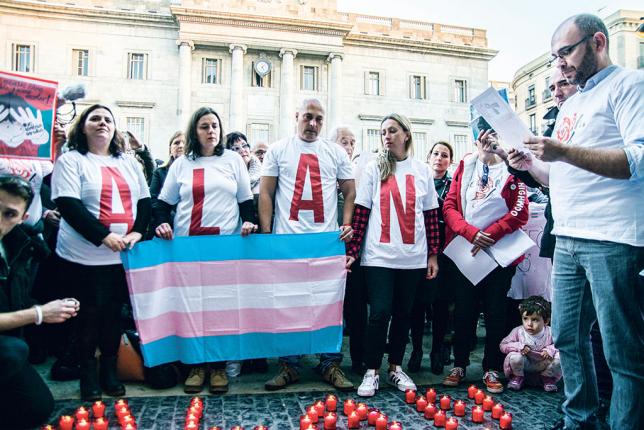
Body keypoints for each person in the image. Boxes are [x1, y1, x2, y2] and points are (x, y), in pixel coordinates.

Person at [507, 14, 643, 430]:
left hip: (612, 238)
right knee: (566, 337)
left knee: (621, 349)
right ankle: (579, 420)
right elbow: (560, 175)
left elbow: (637, 160)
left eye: (566, 52)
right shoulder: (574, 102)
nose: (559, 64)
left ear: (598, 41)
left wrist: (562, 151)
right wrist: (530, 164)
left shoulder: (629, 86)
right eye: (555, 57)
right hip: (566, 238)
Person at [153, 107, 256, 394]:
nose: (211, 130)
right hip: (188, 247)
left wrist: (249, 221)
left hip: (224, 247)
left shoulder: (233, 160)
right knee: (193, 306)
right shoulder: (181, 165)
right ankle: (197, 366)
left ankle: (219, 366)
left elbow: (246, 202)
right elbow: (162, 204)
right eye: (204, 126)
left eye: (214, 125)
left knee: (221, 307)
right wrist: (161, 224)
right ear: (194, 131)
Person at [51, 104, 151, 401]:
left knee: (113, 317)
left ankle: (109, 369)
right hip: (84, 257)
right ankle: (87, 374)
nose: (102, 123)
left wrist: (137, 232)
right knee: (88, 317)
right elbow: (69, 205)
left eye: (108, 119)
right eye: (95, 118)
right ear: (82, 126)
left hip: (122, 256)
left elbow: (145, 201)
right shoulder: (71, 160)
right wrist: (104, 236)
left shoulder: (129, 162)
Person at [259, 98, 355, 391]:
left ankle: (330, 363)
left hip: (324, 242)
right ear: (296, 115)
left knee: (329, 302)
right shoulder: (277, 149)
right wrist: (267, 237)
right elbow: (266, 193)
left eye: (319, 119)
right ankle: (290, 364)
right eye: (308, 117)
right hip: (288, 241)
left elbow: (350, 191)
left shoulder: (335, 152)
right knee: (288, 304)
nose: (313, 124)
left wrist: (346, 223)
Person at [346, 114, 439, 397]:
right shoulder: (375, 169)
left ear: (406, 134)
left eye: (392, 131)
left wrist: (433, 255)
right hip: (378, 257)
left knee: (404, 314)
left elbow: (431, 216)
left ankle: (396, 367)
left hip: (412, 257)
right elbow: (361, 214)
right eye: (383, 132)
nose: (387, 136)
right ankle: (372, 370)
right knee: (380, 312)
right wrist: (353, 252)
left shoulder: (422, 170)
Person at [441, 129, 529, 394]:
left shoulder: (512, 168)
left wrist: (490, 234)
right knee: (464, 310)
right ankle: (460, 364)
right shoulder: (466, 165)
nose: (489, 144)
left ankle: (492, 366)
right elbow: (450, 207)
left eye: (495, 138)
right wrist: (471, 233)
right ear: (476, 141)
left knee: (495, 311)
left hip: (499, 253)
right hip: (467, 252)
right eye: (484, 138)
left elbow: (520, 212)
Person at [0, 174, 80, 429]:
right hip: (7, 347)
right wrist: (39, 314)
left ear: (23, 218)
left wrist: (58, 308)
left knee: (36, 406)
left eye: (9, 214)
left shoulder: (20, 245)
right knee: (13, 351)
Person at [408, 141, 454, 375]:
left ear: (450, 161)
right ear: (428, 156)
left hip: (445, 251)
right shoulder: (417, 180)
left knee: (441, 305)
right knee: (417, 304)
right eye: (435, 153)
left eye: (444, 155)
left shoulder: (453, 184)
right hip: (417, 247)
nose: (439, 158)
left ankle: (437, 351)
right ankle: (416, 350)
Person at [330, 125, 366, 374]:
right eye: (344, 141)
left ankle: (359, 358)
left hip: (354, 248)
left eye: (352, 142)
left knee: (356, 305)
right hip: (327, 248)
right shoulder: (324, 173)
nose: (349, 147)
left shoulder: (360, 173)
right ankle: (329, 358)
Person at [500, 296, 561, 392]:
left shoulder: (551, 332)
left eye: (535, 320)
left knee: (561, 356)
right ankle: (518, 377)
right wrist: (519, 346)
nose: (529, 324)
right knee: (514, 356)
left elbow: (561, 345)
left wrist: (550, 350)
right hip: (525, 365)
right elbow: (503, 345)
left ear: (546, 321)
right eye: (525, 319)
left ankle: (546, 378)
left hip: (545, 364)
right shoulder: (518, 331)